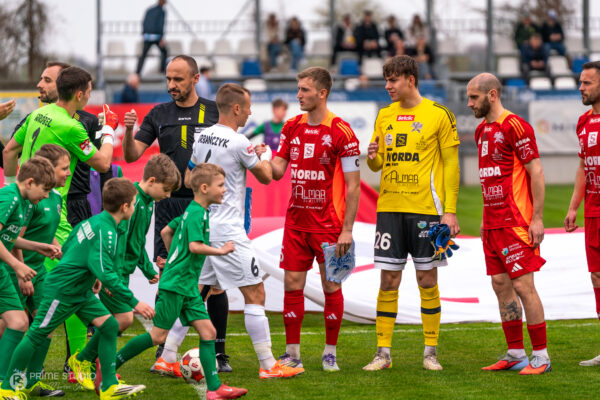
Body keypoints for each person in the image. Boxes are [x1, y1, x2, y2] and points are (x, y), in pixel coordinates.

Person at [4, 63, 115, 378]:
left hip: (29, 202)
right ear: (80, 94)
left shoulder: (38, 114)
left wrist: (13, 188)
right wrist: (109, 131)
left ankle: (30, 375)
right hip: (53, 211)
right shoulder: (72, 126)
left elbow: (10, 150)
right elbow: (103, 163)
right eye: (89, 91)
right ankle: (75, 365)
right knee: (73, 285)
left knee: (26, 303)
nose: (89, 96)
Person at [0, 178, 155, 399]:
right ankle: (6, 387)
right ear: (125, 206)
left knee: (110, 325)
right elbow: (107, 273)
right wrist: (135, 302)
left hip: (80, 290)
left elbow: (71, 245)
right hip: (63, 291)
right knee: (36, 335)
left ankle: (108, 386)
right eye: (133, 203)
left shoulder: (96, 222)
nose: (134, 207)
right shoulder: (106, 231)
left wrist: (92, 276)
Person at [120, 54, 228, 367]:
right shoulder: (158, 113)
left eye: (178, 79)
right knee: (167, 274)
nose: (172, 85)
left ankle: (219, 352)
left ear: (195, 79)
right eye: (168, 79)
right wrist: (128, 130)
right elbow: (131, 156)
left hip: (203, 205)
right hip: (167, 205)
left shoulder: (214, 111)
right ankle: (163, 347)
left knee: (213, 281)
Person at [114, 164, 248, 400]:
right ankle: (109, 366)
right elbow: (194, 246)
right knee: (158, 336)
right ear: (204, 188)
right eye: (220, 185)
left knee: (208, 331)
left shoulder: (194, 210)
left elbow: (166, 231)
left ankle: (214, 389)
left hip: (187, 285)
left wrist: (174, 258)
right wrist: (220, 251)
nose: (224, 190)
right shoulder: (197, 213)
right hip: (176, 285)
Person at [363, 55, 460, 372]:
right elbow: (377, 165)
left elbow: (451, 165)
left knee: (426, 279)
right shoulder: (385, 114)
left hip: (426, 212)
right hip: (389, 209)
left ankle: (430, 352)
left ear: (410, 80)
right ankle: (383, 353)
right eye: (386, 80)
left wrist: (450, 211)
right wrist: (373, 157)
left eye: (393, 80)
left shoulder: (439, 114)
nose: (387, 86)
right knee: (388, 280)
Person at [269, 67, 361, 371]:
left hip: (329, 226)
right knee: (292, 285)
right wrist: (260, 158)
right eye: (298, 88)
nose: (298, 95)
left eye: (304, 89)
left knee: (331, 287)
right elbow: (277, 171)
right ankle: (292, 353)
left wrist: (347, 230)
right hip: (296, 223)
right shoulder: (291, 126)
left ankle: (329, 352)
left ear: (322, 93)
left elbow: (354, 186)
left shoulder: (342, 131)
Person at [467, 72, 550, 374]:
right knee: (500, 284)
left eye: (474, 97)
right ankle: (516, 353)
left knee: (523, 286)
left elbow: (536, 171)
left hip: (516, 222)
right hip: (492, 223)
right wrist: (484, 219)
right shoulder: (482, 131)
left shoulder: (515, 125)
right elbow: (490, 179)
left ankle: (541, 356)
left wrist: (537, 218)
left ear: (492, 95)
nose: (469, 103)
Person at [4, 145, 71, 396]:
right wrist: (19, 269)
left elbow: (27, 235)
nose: (68, 173)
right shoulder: (20, 198)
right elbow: (12, 239)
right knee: (13, 324)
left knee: (45, 324)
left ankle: (31, 381)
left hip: (36, 270)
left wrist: (49, 246)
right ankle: (5, 383)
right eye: (64, 168)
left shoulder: (51, 197)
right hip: (17, 270)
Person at [98, 154, 179, 335]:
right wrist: (113, 278)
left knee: (114, 325)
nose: (168, 195)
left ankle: (97, 353)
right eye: (166, 189)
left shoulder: (148, 203)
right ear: (152, 181)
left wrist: (148, 269)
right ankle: (90, 352)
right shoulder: (132, 201)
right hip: (114, 273)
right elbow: (118, 242)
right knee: (121, 320)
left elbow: (137, 241)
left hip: (121, 273)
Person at [565, 61, 600, 366]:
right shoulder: (583, 122)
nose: (581, 88)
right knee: (597, 277)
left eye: (587, 83)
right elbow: (582, 166)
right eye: (580, 82)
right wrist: (574, 206)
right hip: (592, 212)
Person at [136, 0, 168, 75]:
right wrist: (161, 37)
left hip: (147, 36)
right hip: (157, 37)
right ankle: (162, 71)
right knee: (164, 52)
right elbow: (161, 24)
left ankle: (137, 72)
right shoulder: (162, 11)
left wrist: (144, 33)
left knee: (143, 55)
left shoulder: (149, 10)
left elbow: (144, 23)